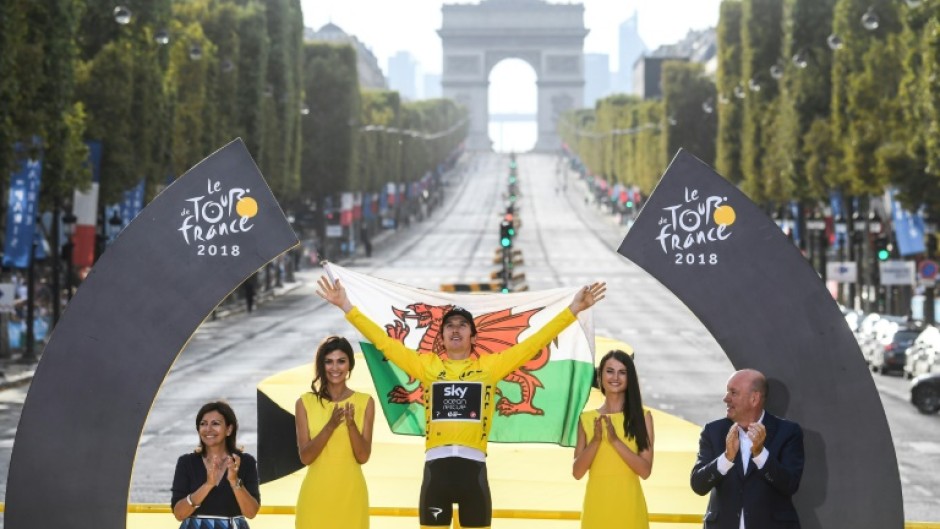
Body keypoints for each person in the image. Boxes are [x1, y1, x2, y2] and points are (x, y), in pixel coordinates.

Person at [316, 275, 606, 529]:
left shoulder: (490, 368)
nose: (455, 329)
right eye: (450, 326)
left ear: (473, 336)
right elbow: (384, 343)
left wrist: (573, 309)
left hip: (474, 471)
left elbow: (534, 343)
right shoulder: (427, 367)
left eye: (462, 325)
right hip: (436, 471)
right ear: (441, 336)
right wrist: (346, 306)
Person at [690, 369, 804, 529]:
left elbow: (790, 485)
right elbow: (698, 485)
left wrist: (760, 454)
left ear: (754, 398)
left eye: (733, 393)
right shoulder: (713, 431)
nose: (726, 398)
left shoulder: (787, 432)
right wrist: (726, 458)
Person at [295, 335, 375, 529]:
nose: (335, 367)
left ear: (350, 364)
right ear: (321, 365)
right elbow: (306, 457)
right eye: (328, 361)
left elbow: (363, 457)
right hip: (316, 496)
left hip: (351, 495)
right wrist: (330, 426)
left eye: (341, 361)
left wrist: (351, 425)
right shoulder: (304, 403)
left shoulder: (365, 402)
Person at [572, 350, 654, 529]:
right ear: (600, 376)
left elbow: (645, 471)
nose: (615, 377)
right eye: (610, 371)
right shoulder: (586, 419)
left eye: (622, 372)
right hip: (596, 509)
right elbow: (577, 472)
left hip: (629, 510)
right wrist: (596, 441)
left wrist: (615, 441)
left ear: (629, 377)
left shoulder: (643, 417)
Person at [172, 401, 260, 529]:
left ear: (229, 429)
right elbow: (179, 514)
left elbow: (251, 513)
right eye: (203, 424)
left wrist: (234, 481)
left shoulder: (246, 462)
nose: (208, 429)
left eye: (215, 423)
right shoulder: (186, 462)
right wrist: (208, 485)